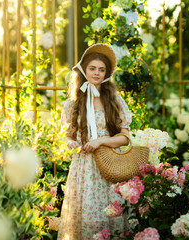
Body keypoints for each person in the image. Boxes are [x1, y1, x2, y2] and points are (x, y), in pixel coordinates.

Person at [57, 43, 132, 240]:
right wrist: (70, 142)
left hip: (109, 165)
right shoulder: (72, 104)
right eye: (92, 68)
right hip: (84, 168)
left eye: (101, 70)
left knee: (109, 212)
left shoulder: (114, 100)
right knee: (87, 215)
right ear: (83, 70)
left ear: (106, 73)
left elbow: (125, 138)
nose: (97, 73)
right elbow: (67, 135)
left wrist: (101, 141)